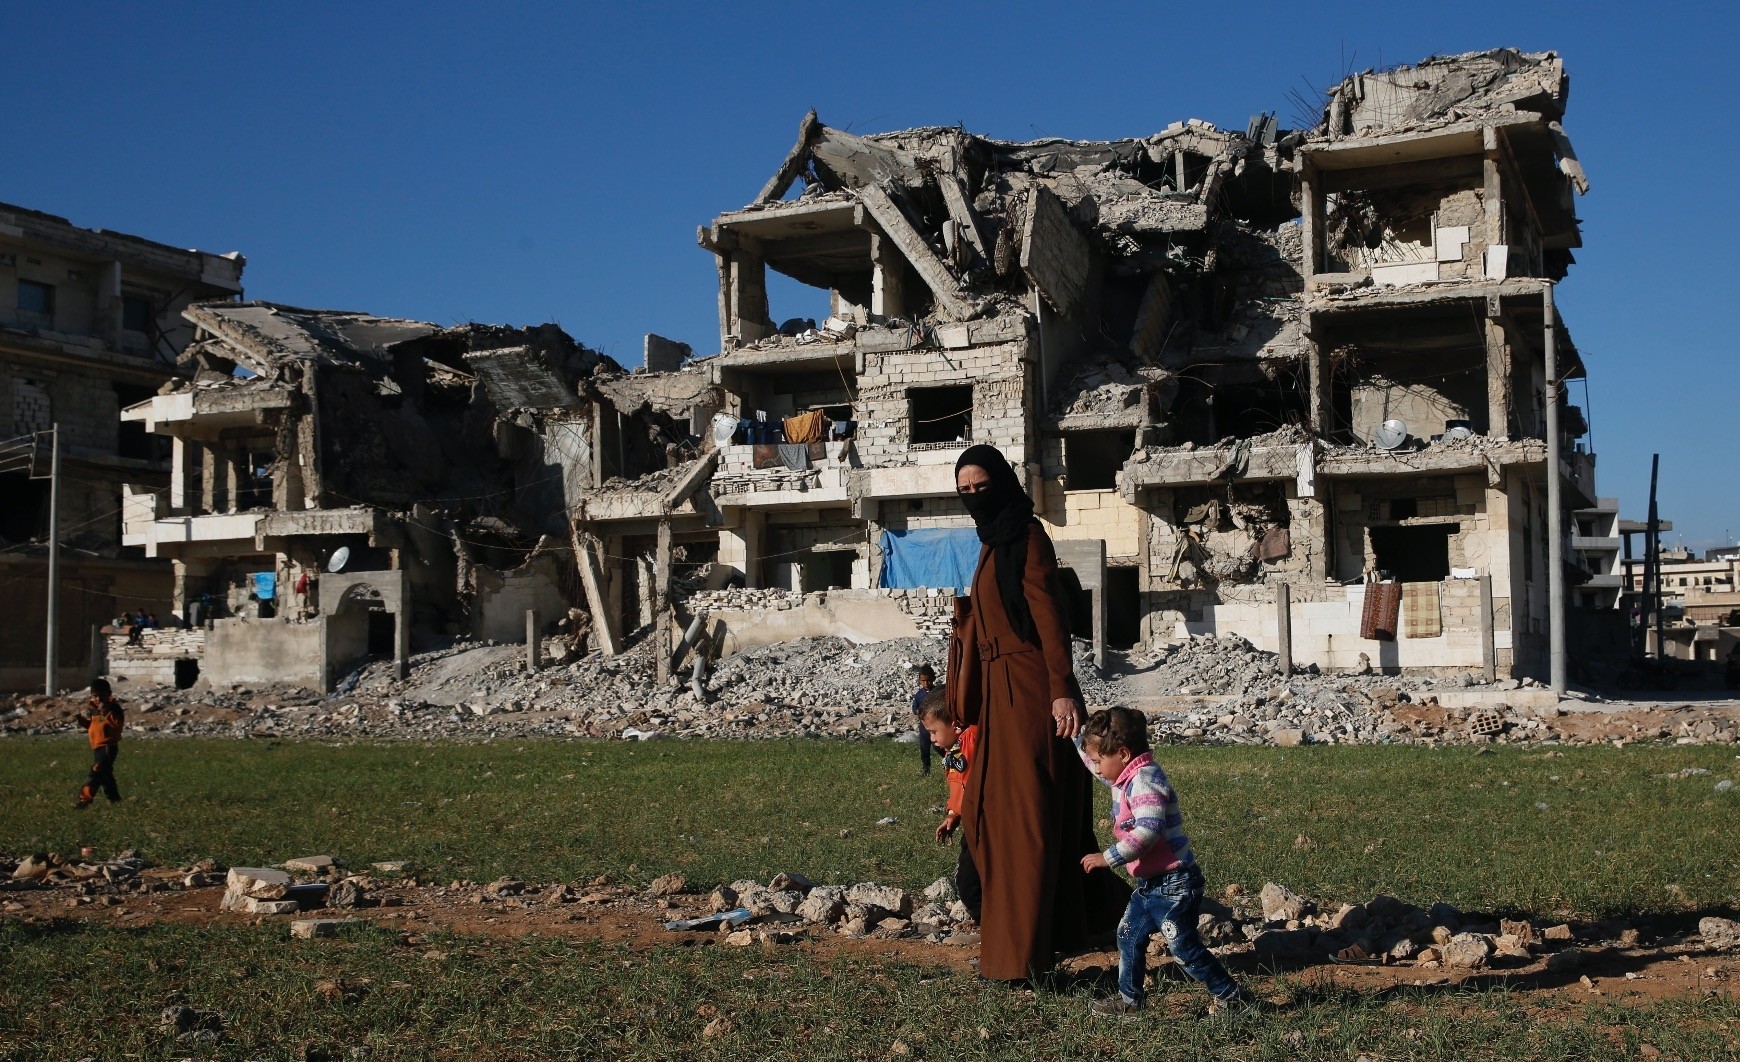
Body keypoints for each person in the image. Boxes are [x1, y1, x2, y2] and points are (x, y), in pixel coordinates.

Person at [947, 443, 1127, 982]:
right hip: (999, 697)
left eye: (983, 487)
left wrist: (1063, 689)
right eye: (965, 492)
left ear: (1002, 482)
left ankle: (1020, 958)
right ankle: (1050, 933)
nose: (975, 497)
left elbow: (1050, 618)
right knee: (988, 815)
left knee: (1021, 822)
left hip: (1029, 693)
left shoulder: (1026, 538)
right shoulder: (989, 545)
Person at [1077, 707, 1248, 1016]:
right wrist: (1073, 736)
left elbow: (1149, 830)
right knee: (1128, 935)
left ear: (1124, 753)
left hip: (1176, 884)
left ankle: (1232, 997)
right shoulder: (1123, 775)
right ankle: (1130, 999)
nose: (1097, 769)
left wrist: (1108, 857)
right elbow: (1092, 762)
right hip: (1150, 886)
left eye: (1101, 761)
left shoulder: (1145, 780)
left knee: (1182, 947)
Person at [920, 687, 981, 924]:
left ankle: (993, 930)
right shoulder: (953, 750)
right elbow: (959, 787)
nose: (932, 739)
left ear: (955, 724)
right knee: (967, 881)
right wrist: (953, 815)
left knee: (969, 883)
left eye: (934, 732)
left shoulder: (971, 738)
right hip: (971, 823)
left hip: (984, 825)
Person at [74, 679, 126, 808]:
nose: (98, 699)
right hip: (97, 748)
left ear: (108, 694)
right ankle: (115, 800)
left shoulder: (114, 708)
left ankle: (84, 800)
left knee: (97, 770)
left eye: (101, 696)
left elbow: (117, 724)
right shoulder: (94, 709)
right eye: (95, 696)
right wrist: (80, 719)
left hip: (108, 747)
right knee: (106, 775)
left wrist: (106, 711)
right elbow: (92, 727)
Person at [910, 664, 937, 774]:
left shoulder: (937, 692)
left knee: (939, 747)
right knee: (924, 748)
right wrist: (918, 712)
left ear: (933, 679)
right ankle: (926, 770)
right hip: (924, 726)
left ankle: (949, 767)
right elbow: (914, 707)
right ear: (920, 681)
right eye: (923, 681)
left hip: (936, 726)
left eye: (928, 680)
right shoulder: (919, 694)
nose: (926, 683)